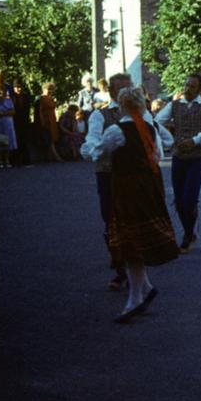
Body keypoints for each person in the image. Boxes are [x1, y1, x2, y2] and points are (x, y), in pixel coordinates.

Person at [99, 86, 178, 323]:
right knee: (137, 239)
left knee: (132, 242)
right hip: (149, 186)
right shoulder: (149, 127)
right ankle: (146, 287)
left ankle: (135, 299)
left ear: (121, 105)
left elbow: (98, 153)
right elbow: (159, 155)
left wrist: (89, 145)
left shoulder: (116, 130)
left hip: (127, 189)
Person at [155, 73, 201, 253]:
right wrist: (170, 139)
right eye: (186, 85)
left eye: (192, 86)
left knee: (189, 198)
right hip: (179, 156)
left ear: (200, 89)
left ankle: (189, 233)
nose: (187, 89)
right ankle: (188, 231)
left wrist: (196, 140)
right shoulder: (174, 105)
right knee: (178, 199)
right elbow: (156, 122)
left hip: (197, 157)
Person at [81, 73, 134, 290]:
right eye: (120, 90)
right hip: (108, 173)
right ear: (111, 92)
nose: (124, 94)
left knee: (133, 220)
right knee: (110, 220)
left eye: (127, 90)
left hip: (133, 175)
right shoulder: (99, 115)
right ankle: (120, 268)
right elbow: (92, 142)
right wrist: (100, 149)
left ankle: (133, 270)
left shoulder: (140, 114)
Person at [33, 82, 62, 162]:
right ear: (44, 89)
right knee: (49, 139)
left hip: (52, 120)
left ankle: (50, 157)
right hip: (45, 121)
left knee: (52, 138)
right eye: (48, 89)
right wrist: (42, 122)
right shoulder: (40, 98)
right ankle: (56, 156)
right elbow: (39, 112)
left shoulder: (51, 98)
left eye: (51, 90)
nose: (50, 91)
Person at [0, 84, 17, 168]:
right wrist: (5, 112)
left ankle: (7, 160)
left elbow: (13, 111)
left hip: (8, 123)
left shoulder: (8, 100)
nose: (1, 92)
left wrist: (2, 113)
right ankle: (0, 161)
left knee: (8, 141)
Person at [11, 80, 32, 166]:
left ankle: (26, 161)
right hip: (15, 121)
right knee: (15, 141)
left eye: (20, 87)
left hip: (24, 121)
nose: (19, 89)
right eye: (17, 87)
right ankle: (15, 161)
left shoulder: (26, 97)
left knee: (24, 141)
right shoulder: (11, 97)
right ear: (14, 88)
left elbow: (27, 110)